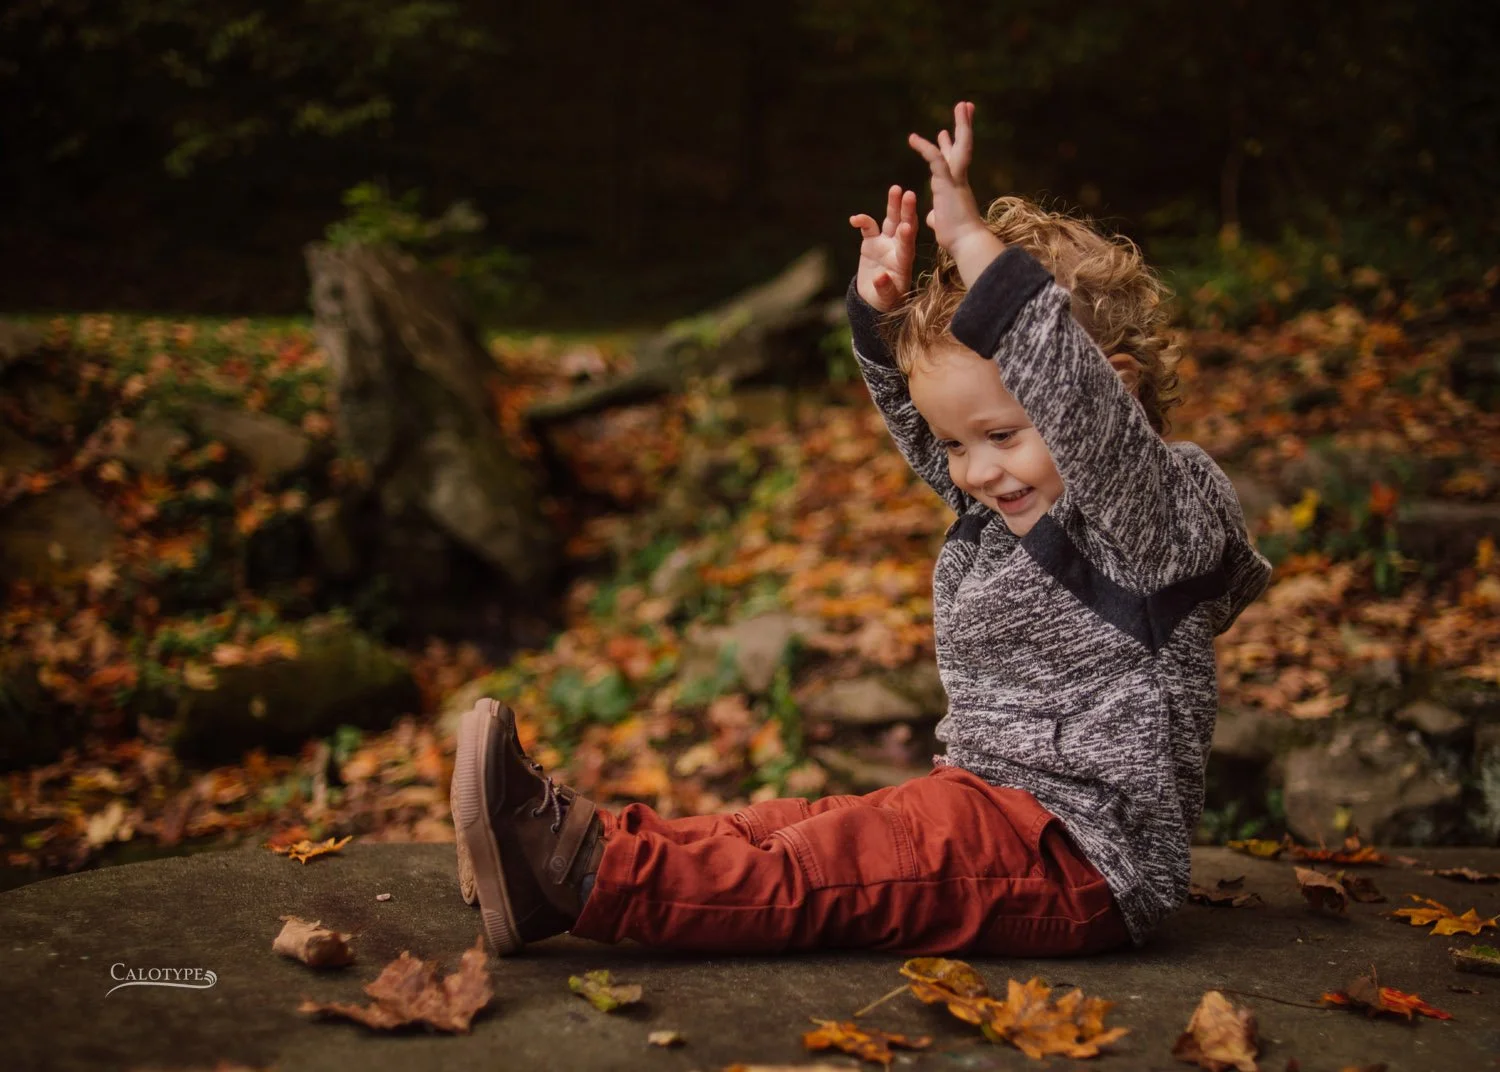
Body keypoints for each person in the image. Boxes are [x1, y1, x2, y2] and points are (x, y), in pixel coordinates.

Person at [450, 101, 1272, 958]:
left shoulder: (1149, 520)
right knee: (790, 826)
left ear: (1115, 393)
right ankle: (564, 854)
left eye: (1000, 435)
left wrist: (970, 243)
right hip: (994, 812)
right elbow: (927, 427)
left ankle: (582, 880)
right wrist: (884, 323)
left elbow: (1069, 391)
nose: (976, 469)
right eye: (961, 444)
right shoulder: (1015, 502)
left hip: (1081, 857)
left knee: (824, 867)